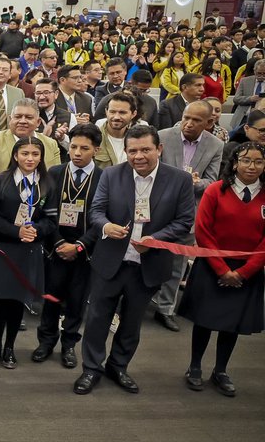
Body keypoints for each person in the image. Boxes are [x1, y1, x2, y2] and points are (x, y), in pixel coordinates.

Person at [75, 126, 196, 396]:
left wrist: (153, 240)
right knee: (97, 319)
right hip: (110, 261)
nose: (138, 156)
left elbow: (185, 221)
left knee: (132, 322)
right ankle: (91, 369)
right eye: (132, 151)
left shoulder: (179, 180)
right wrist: (106, 226)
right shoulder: (111, 174)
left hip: (149, 264)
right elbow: (96, 211)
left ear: (159, 149)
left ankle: (118, 366)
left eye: (145, 150)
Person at [177, 142, 265, 397]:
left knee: (232, 324)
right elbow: (203, 231)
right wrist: (222, 269)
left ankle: (221, 370)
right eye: (246, 160)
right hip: (213, 265)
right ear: (235, 163)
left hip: (248, 270)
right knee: (205, 320)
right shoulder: (216, 190)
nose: (252, 166)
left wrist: (244, 272)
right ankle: (194, 367)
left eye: (258, 161)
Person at [0, 136, 57, 369]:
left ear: (41, 157)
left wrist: (36, 230)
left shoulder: (47, 184)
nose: (30, 158)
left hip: (30, 250)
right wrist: (16, 232)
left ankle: (10, 347)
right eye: (25, 153)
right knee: (1, 300)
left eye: (35, 154)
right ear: (15, 155)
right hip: (3, 248)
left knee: (16, 302)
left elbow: (51, 220)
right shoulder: (0, 182)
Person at [33, 123, 104, 369]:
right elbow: (41, 212)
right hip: (55, 246)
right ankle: (46, 340)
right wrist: (59, 243)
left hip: (85, 252)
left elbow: (105, 218)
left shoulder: (105, 177)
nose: (77, 152)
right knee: (51, 297)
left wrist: (80, 246)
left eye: (84, 148)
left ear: (96, 149)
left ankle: (69, 343)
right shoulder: (54, 172)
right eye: (73, 146)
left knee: (77, 300)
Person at [151, 101, 224, 332]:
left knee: (178, 263)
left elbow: (212, 181)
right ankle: (136, 301)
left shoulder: (215, 145)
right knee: (146, 257)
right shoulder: (162, 136)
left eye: (196, 120)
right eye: (186, 117)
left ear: (209, 123)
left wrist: (195, 182)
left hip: (188, 211)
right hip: (156, 209)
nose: (188, 124)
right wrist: (179, 179)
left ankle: (166, 309)